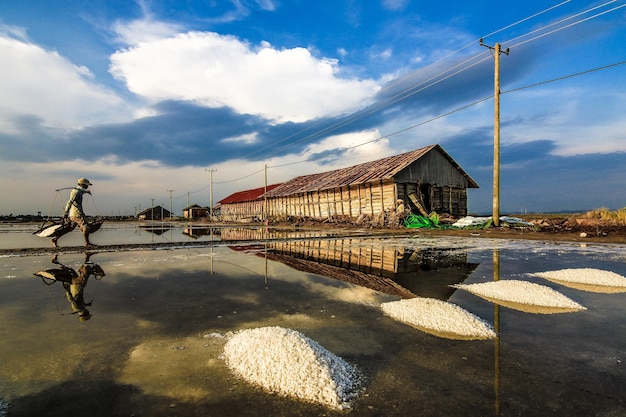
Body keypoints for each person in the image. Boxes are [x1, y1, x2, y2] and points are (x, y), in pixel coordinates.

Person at [52, 178, 96, 247]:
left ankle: (55, 239)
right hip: (77, 213)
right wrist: (65, 213)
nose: (87, 186)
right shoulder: (76, 192)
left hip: (73, 214)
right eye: (86, 185)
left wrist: (86, 192)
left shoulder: (79, 191)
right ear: (82, 184)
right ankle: (87, 243)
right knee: (85, 226)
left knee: (70, 228)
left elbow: (80, 192)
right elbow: (70, 202)